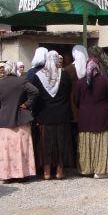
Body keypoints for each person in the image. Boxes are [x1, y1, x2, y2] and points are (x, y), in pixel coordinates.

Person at [32, 50, 73, 179]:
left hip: (44, 114)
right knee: (60, 142)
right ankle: (60, 170)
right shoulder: (64, 75)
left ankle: (47, 171)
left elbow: (35, 97)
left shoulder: (38, 76)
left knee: (45, 143)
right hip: (62, 114)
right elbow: (68, 93)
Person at [0, 62, 38, 182]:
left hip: (4, 117)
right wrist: (27, 104)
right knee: (22, 147)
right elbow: (35, 91)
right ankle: (22, 174)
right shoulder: (22, 81)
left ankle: (7, 175)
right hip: (21, 117)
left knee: (6, 149)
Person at [75, 58, 108, 178]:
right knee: (101, 144)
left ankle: (86, 169)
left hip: (85, 118)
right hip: (102, 117)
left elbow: (76, 100)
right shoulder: (105, 81)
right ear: (98, 67)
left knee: (87, 143)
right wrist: (104, 106)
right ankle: (100, 170)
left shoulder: (80, 83)